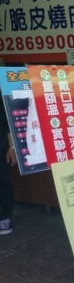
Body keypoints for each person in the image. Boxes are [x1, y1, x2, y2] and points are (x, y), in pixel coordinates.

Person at [0, 100, 17, 234]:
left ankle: (6, 218)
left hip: (2, 147)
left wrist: (11, 147)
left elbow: (7, 123)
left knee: (4, 182)